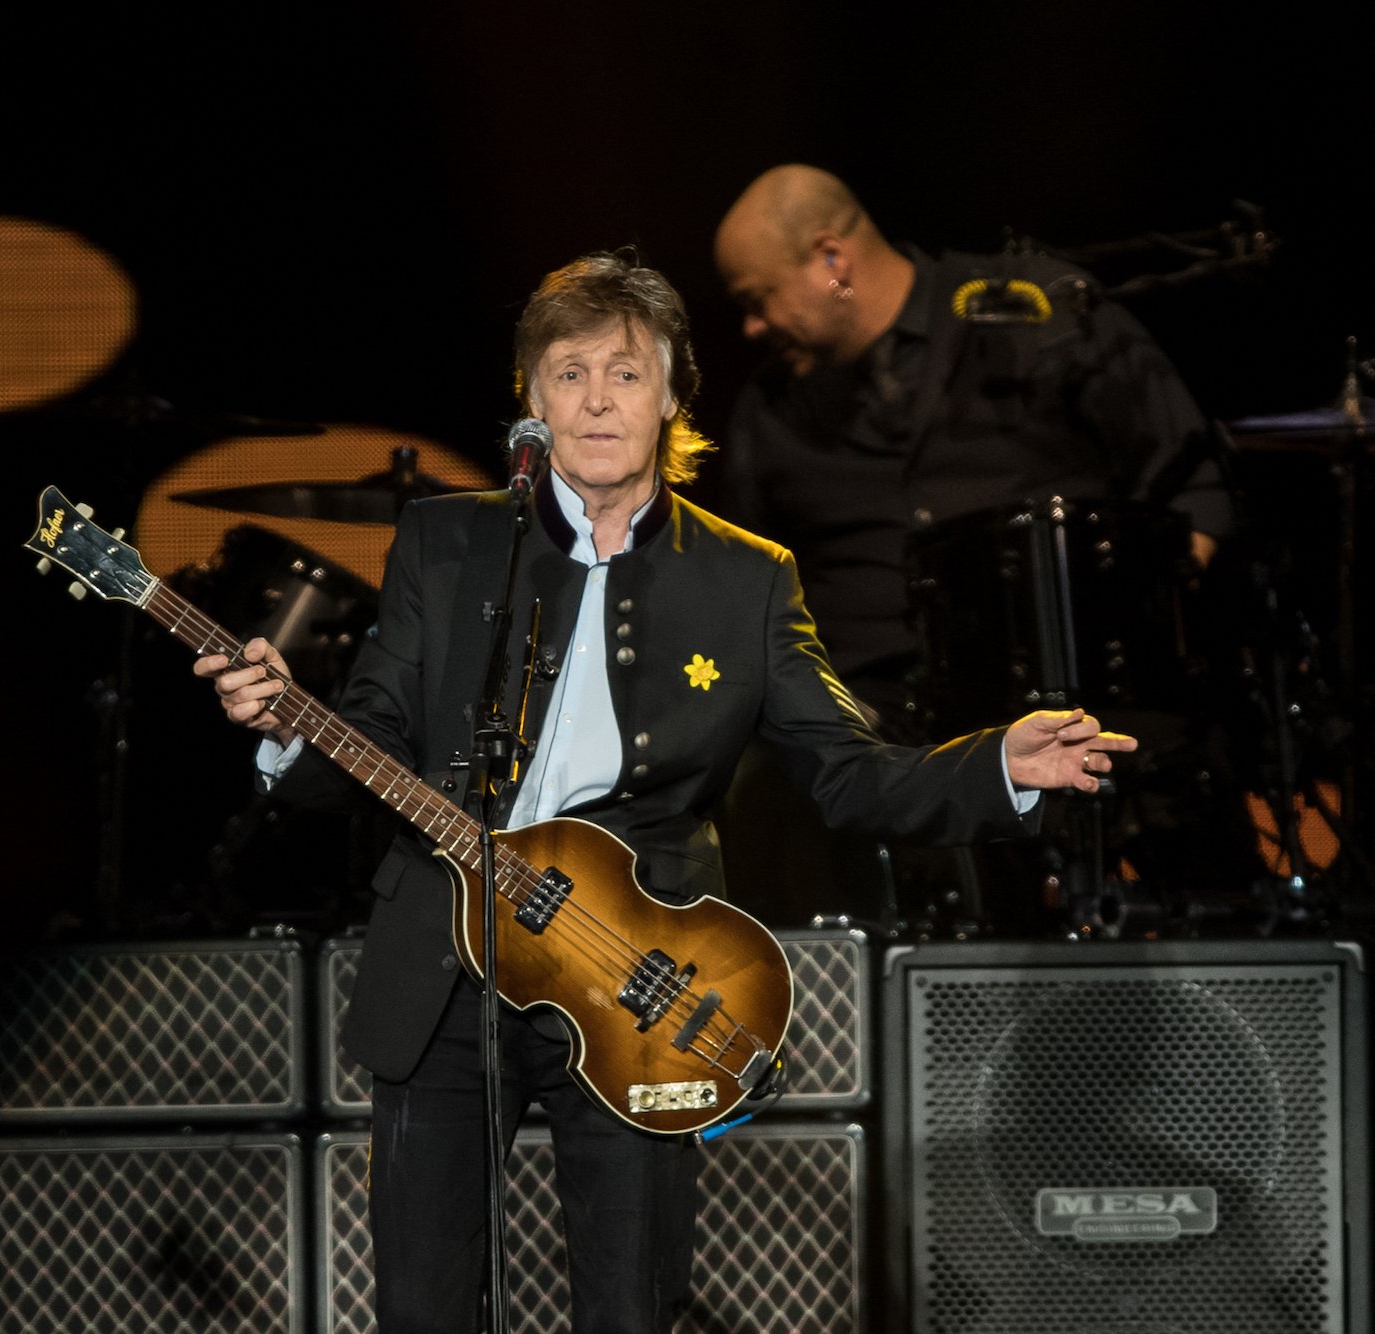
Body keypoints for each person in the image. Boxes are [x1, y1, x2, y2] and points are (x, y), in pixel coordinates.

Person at [196, 250, 1135, 1334]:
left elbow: (847, 769)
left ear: (674, 394)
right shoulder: (446, 544)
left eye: (625, 372)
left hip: (639, 978)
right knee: (422, 1304)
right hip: (442, 972)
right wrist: (280, 731)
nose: (596, 399)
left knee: (633, 1301)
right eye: (567, 373)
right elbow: (364, 749)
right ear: (531, 402)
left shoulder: (745, 576)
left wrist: (996, 765)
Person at [713, 165, 1251, 925]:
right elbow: (743, 594)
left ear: (830, 258)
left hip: (1086, 699)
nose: (751, 329)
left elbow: (1194, 490)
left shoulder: (1034, 314)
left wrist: (1139, 626)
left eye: (755, 300)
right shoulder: (769, 416)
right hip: (878, 730)